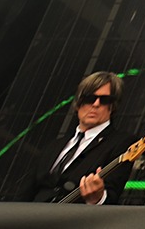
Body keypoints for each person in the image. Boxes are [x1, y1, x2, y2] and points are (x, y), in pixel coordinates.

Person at [25, 72, 130, 204]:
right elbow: (27, 191)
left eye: (104, 100)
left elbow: (113, 194)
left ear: (112, 106)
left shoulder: (121, 142)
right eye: (89, 98)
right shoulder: (55, 146)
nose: (96, 104)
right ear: (79, 102)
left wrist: (98, 198)